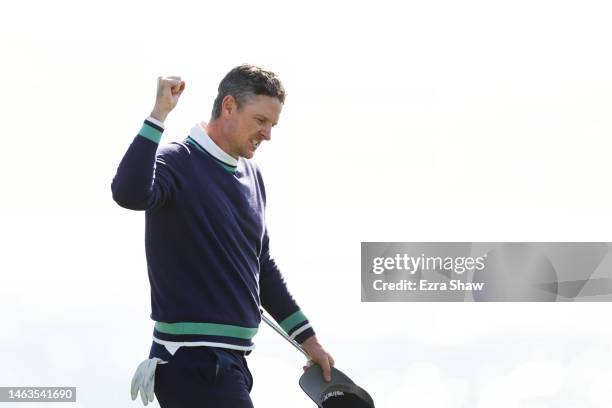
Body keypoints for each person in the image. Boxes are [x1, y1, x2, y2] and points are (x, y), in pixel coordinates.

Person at [111, 65, 334, 407]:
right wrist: (159, 115)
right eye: (261, 121)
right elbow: (128, 193)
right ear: (228, 107)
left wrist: (310, 341)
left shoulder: (252, 174)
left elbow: (262, 267)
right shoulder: (177, 161)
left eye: (272, 125)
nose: (268, 134)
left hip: (231, 364)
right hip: (192, 363)